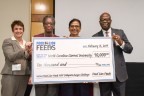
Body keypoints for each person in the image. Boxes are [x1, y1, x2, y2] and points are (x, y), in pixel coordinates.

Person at [92, 12, 133, 96]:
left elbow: (129, 49)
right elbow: (93, 57)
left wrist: (120, 42)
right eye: (103, 20)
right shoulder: (95, 37)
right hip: (103, 75)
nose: (105, 21)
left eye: (107, 19)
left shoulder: (120, 32)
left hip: (119, 75)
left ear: (111, 21)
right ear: (99, 22)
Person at [61, 18, 92, 96]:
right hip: (66, 77)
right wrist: (62, 43)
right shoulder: (62, 42)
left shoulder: (85, 43)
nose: (74, 28)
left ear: (80, 29)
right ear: (69, 28)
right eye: (72, 26)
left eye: (77, 26)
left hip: (82, 78)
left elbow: (88, 59)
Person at [1, 20, 32, 96]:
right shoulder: (8, 42)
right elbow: (10, 56)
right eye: (16, 29)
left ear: (23, 30)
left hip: (24, 76)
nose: (18, 31)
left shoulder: (26, 43)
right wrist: (24, 49)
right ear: (13, 30)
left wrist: (30, 54)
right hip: (11, 76)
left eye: (20, 29)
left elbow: (28, 61)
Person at [34, 15, 59, 96]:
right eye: (46, 23)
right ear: (43, 25)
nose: (49, 25)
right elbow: (33, 57)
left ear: (54, 26)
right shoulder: (36, 38)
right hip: (40, 74)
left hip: (54, 75)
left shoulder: (59, 39)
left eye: (51, 23)